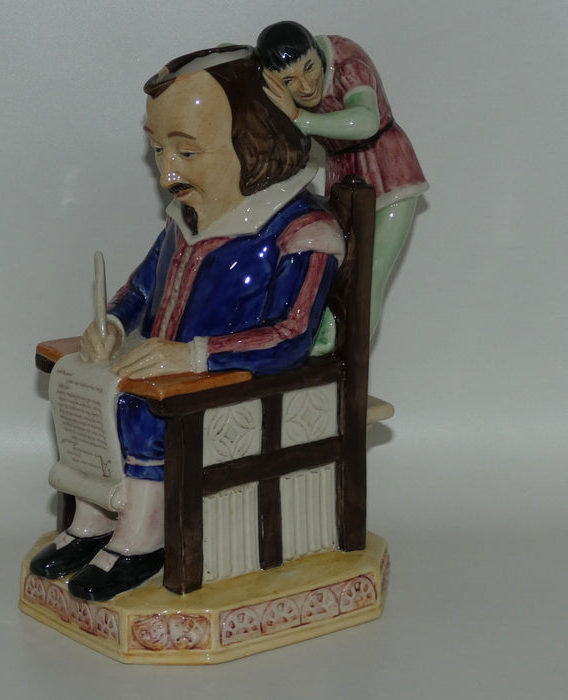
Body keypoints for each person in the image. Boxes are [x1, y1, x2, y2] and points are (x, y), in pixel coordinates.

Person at [29, 46, 346, 602]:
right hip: (169, 372)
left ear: (254, 141)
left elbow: (292, 336)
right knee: (79, 386)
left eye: (187, 151)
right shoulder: (184, 221)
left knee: (139, 409)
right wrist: (113, 323)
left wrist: (195, 355)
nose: (167, 173)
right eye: (157, 150)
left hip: (236, 385)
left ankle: (142, 538)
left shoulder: (304, 232)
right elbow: (140, 289)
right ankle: (94, 520)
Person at [257, 21, 428, 335]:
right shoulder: (272, 83)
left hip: (389, 171)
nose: (305, 86)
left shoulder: (348, 62)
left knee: (369, 272)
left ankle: (350, 346)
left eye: (309, 68)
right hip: (341, 177)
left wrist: (300, 118)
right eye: (289, 81)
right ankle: (318, 339)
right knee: (333, 266)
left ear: (316, 52)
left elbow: (366, 120)